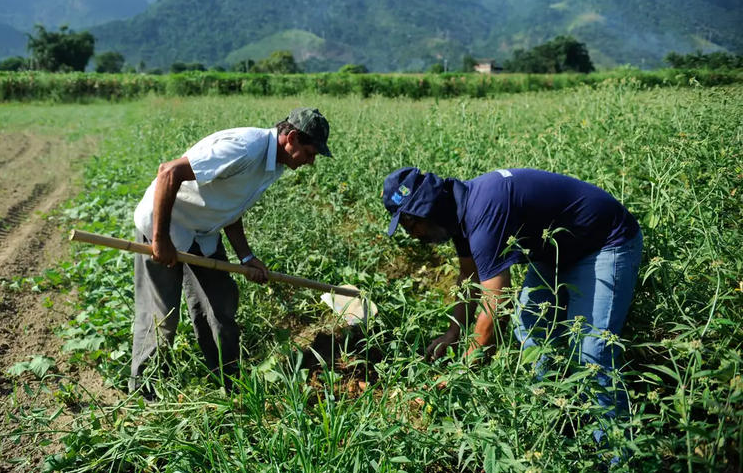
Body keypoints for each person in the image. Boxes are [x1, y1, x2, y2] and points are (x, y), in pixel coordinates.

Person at [382, 167, 643, 433]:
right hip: (555, 252)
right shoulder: (457, 212)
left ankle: (616, 457)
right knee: (530, 326)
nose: (410, 234)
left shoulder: (484, 212)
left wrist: (464, 373)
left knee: (591, 354)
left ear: (426, 210)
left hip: (605, 242)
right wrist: (454, 332)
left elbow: (498, 305)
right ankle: (555, 418)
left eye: (408, 224)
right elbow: (468, 274)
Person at [131, 108, 332, 394]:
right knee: (162, 317)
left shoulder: (272, 165)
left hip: (203, 233)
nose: (311, 162)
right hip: (164, 226)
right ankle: (144, 392)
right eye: (311, 153)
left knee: (220, 305)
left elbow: (231, 207)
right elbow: (169, 171)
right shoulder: (244, 148)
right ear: (293, 138)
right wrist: (159, 239)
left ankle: (228, 383)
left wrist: (247, 257)